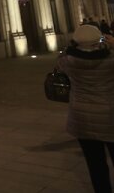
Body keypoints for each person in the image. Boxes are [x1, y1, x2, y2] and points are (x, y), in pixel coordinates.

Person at [57, 23, 114, 192]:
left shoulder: (68, 61)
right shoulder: (111, 59)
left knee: (95, 164)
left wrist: (73, 46)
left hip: (82, 119)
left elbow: (61, 58)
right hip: (109, 116)